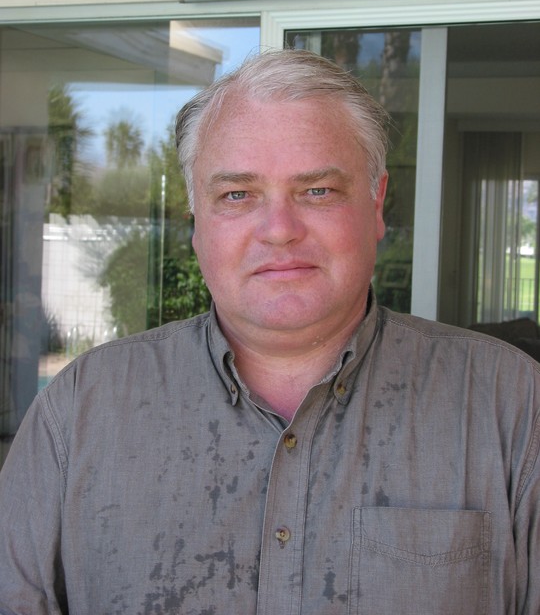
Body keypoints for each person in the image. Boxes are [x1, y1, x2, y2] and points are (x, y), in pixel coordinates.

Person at [0, 49, 539, 615]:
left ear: (376, 204)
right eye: (237, 195)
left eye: (317, 190)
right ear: (196, 220)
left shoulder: (511, 408)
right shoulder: (80, 411)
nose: (279, 230)